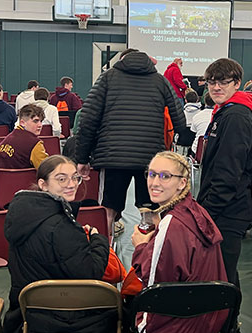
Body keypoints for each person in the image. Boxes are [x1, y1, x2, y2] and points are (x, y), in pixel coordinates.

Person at [1, 155, 111, 333]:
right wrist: (98, 239)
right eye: (61, 179)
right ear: (43, 184)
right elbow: (91, 272)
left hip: (27, 316)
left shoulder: (20, 215)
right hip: (68, 324)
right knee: (122, 307)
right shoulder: (61, 227)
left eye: (75, 177)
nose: (71, 184)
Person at [76, 49, 185, 236]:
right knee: (150, 210)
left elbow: (87, 120)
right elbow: (180, 121)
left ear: (121, 60)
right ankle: (149, 258)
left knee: (108, 210)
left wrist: (82, 157)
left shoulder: (107, 78)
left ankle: (106, 256)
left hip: (113, 157)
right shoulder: (160, 81)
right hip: (150, 158)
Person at [131, 151, 228, 333]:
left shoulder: (172, 224)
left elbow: (153, 289)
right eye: (151, 174)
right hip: (207, 323)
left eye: (165, 176)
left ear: (182, 183)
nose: (154, 182)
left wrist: (141, 246)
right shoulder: (196, 210)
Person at [197, 58, 252, 333]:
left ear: (237, 83)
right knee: (225, 274)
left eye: (224, 82)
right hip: (225, 208)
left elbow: (227, 173)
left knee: (223, 277)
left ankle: (228, 332)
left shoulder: (235, 117)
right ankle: (227, 328)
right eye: (212, 82)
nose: (217, 87)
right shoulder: (226, 113)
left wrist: (206, 213)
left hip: (227, 212)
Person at [0, 104, 48, 169]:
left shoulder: (6, 140)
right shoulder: (35, 144)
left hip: (1, 179)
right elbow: (47, 170)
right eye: (35, 121)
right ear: (22, 123)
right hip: (26, 179)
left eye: (41, 121)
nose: (40, 125)